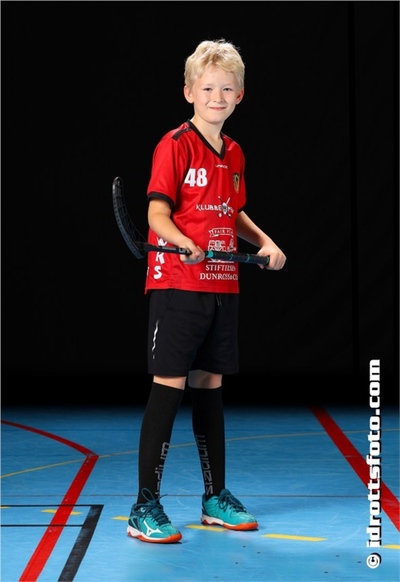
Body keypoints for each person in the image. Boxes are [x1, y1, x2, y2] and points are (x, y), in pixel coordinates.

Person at [127, 38, 286, 544]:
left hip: (222, 284)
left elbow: (231, 212)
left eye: (227, 89)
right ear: (189, 92)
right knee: (170, 386)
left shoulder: (234, 152)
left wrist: (264, 242)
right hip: (178, 284)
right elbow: (156, 212)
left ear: (240, 95)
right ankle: (144, 506)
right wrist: (182, 241)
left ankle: (215, 498)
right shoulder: (174, 144)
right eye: (208, 88)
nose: (217, 97)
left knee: (210, 387)